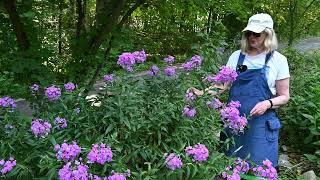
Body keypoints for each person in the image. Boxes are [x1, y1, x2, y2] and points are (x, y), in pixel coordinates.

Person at [191, 13, 290, 168]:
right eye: (248, 33)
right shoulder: (237, 57)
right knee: (229, 166)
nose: (252, 37)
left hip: (260, 126)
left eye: (257, 34)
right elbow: (222, 86)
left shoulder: (278, 60)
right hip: (233, 123)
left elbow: (284, 96)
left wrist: (267, 103)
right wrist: (202, 93)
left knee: (258, 169)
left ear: (268, 34)